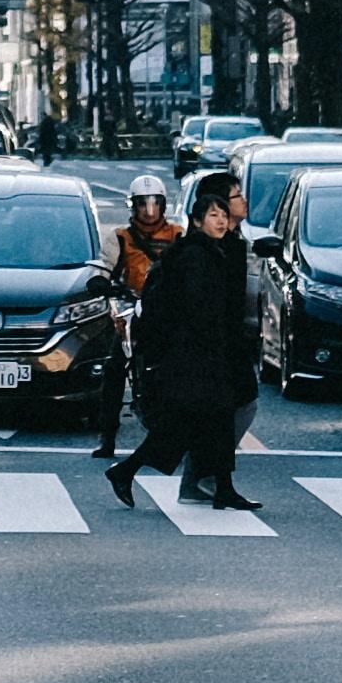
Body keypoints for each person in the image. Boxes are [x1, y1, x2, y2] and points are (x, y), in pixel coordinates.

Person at [111, 171, 264, 509]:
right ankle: (207, 485)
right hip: (197, 356)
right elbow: (200, 307)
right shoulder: (197, 254)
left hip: (208, 353)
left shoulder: (217, 248)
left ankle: (136, 472)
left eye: (224, 215)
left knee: (197, 426)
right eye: (215, 215)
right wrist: (215, 345)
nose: (222, 220)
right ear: (196, 221)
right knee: (197, 424)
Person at [97, 185, 181, 458]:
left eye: (154, 203)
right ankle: (107, 436)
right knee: (113, 369)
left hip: (166, 311)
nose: (149, 210)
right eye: (142, 204)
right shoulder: (119, 237)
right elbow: (103, 267)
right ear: (132, 206)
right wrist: (100, 283)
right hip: (131, 309)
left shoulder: (178, 235)